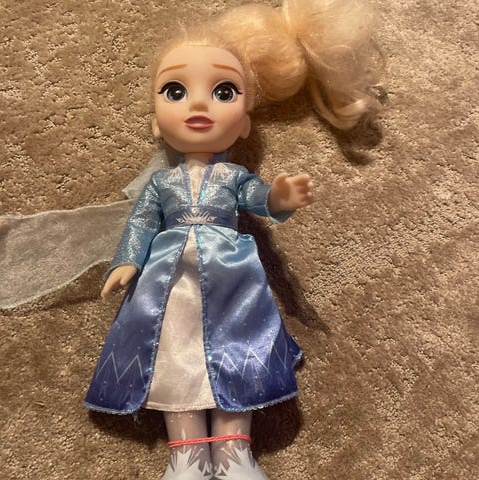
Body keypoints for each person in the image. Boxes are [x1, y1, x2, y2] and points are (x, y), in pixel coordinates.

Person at [84, 1, 382, 478]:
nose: (199, 104)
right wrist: (127, 261)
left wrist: (280, 197)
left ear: (243, 124)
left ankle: (232, 452)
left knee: (235, 349)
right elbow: (141, 222)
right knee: (174, 354)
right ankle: (186, 456)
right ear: (157, 122)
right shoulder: (162, 184)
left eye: (223, 91)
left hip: (232, 280)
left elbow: (259, 198)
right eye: (176, 91)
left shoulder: (233, 176)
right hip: (168, 283)